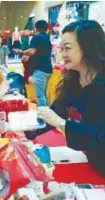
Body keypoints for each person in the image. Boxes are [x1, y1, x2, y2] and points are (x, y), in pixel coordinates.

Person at [26, 20, 105, 177]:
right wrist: (26, 128)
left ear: (87, 48)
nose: (62, 55)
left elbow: (100, 137)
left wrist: (61, 124)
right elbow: (56, 112)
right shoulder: (73, 81)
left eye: (67, 49)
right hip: (92, 162)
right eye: (61, 49)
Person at [14, 20, 53, 106]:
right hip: (48, 69)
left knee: (40, 95)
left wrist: (21, 51)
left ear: (36, 28)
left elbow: (32, 51)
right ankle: (45, 113)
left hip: (40, 69)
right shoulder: (47, 38)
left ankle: (42, 116)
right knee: (43, 94)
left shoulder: (37, 38)